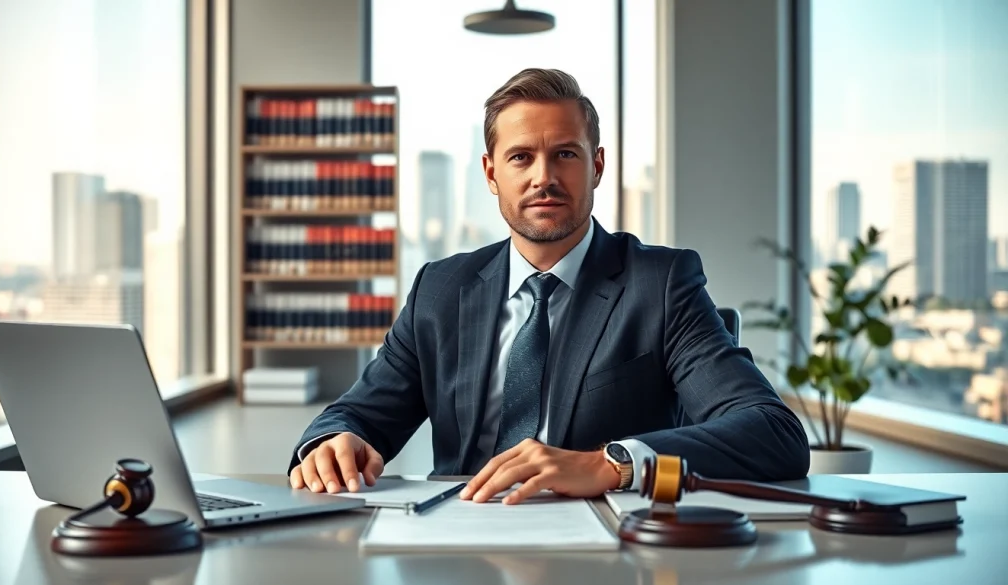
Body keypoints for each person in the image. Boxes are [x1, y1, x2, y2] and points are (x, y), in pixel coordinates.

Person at [287, 68, 809, 505]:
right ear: (491, 173)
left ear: (596, 166)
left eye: (565, 155)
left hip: (606, 541)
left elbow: (772, 431)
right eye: (521, 157)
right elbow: (358, 414)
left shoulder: (661, 285)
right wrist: (335, 442)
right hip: (458, 535)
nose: (544, 178)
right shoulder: (440, 290)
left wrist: (612, 463)